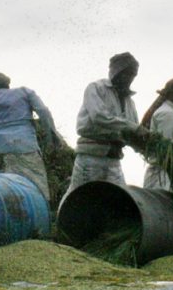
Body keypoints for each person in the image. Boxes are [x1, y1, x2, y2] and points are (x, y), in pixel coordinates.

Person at [0, 72, 60, 202]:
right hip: (23, 151)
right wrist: (51, 140)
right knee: (36, 195)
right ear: (7, 84)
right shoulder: (25, 92)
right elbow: (43, 112)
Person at [62, 52, 144, 200]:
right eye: (127, 73)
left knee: (118, 199)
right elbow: (99, 117)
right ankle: (64, 222)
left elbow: (133, 131)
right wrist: (134, 128)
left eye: (133, 75)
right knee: (82, 197)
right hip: (92, 156)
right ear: (116, 72)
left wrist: (146, 144)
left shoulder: (129, 101)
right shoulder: (96, 88)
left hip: (114, 158)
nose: (130, 78)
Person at [141, 79, 173, 190]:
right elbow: (167, 151)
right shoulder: (168, 114)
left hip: (165, 175)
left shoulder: (171, 113)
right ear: (172, 93)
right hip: (162, 176)